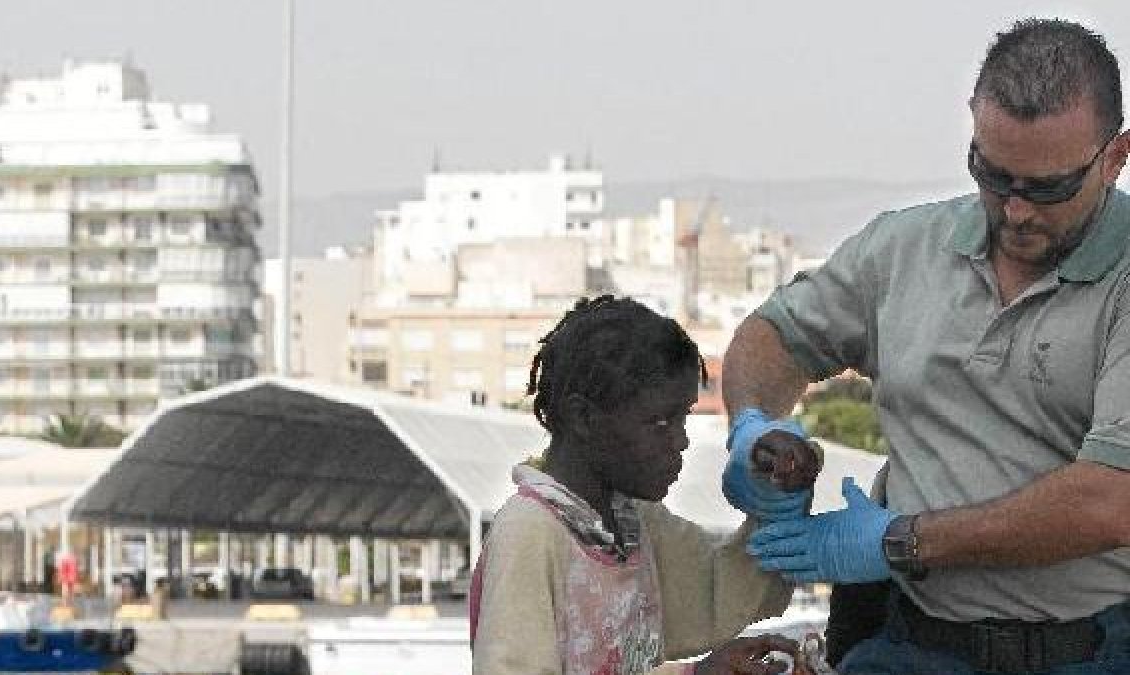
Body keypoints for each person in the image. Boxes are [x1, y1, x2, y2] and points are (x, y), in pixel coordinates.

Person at [721, 17, 1130, 675]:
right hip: (911, 644)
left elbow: (1111, 500)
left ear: (1115, 157)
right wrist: (754, 430)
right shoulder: (902, 249)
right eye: (994, 175)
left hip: (1090, 651)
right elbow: (773, 338)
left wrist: (900, 539)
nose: (1017, 210)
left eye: (1049, 188)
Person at [469, 296, 799, 675]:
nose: (680, 441)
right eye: (660, 422)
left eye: (682, 419)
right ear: (583, 417)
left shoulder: (633, 520)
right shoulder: (529, 533)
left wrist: (777, 492)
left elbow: (719, 586)